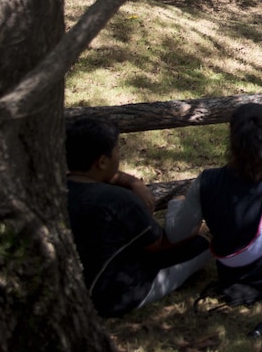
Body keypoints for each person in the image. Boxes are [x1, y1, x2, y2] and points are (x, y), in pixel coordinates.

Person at [166, 103, 262, 302]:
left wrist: (175, 203)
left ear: (231, 137)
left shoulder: (206, 181)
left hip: (232, 273)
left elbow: (176, 234)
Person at [66, 117, 211, 317]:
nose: (119, 156)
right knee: (201, 245)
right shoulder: (118, 200)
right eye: (117, 151)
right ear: (102, 161)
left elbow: (108, 175)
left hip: (71, 288)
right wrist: (182, 210)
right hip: (114, 297)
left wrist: (134, 182)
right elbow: (160, 243)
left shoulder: (51, 188)